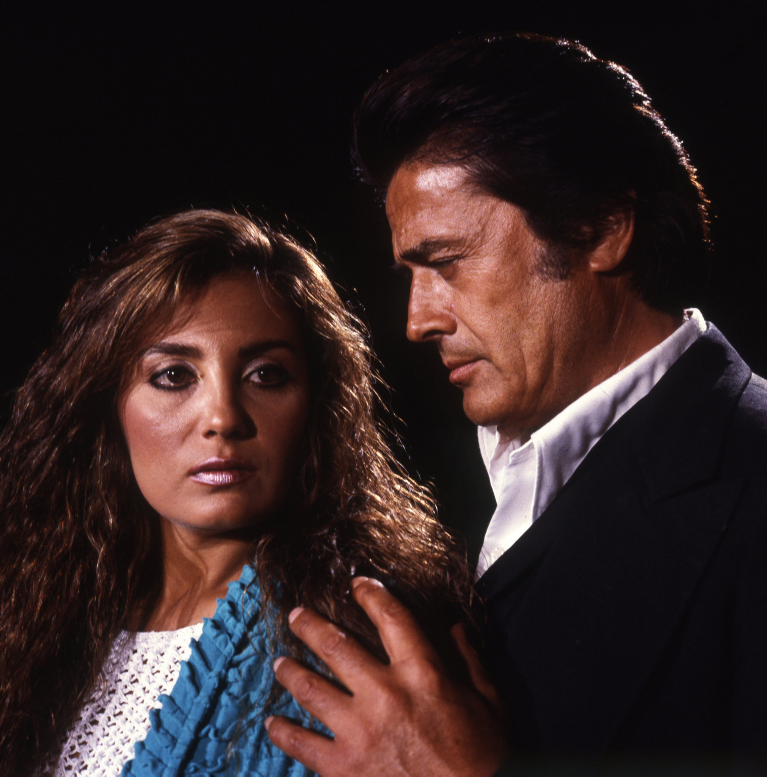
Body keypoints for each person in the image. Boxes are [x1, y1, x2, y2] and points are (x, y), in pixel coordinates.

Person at [265, 33, 767, 773]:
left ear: (602, 228)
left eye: (446, 262)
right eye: (411, 274)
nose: (417, 321)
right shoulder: (480, 496)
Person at [0, 209, 476, 777]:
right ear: (109, 407)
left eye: (266, 375)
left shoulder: (363, 635)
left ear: (318, 405)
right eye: (174, 376)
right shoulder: (33, 631)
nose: (223, 418)